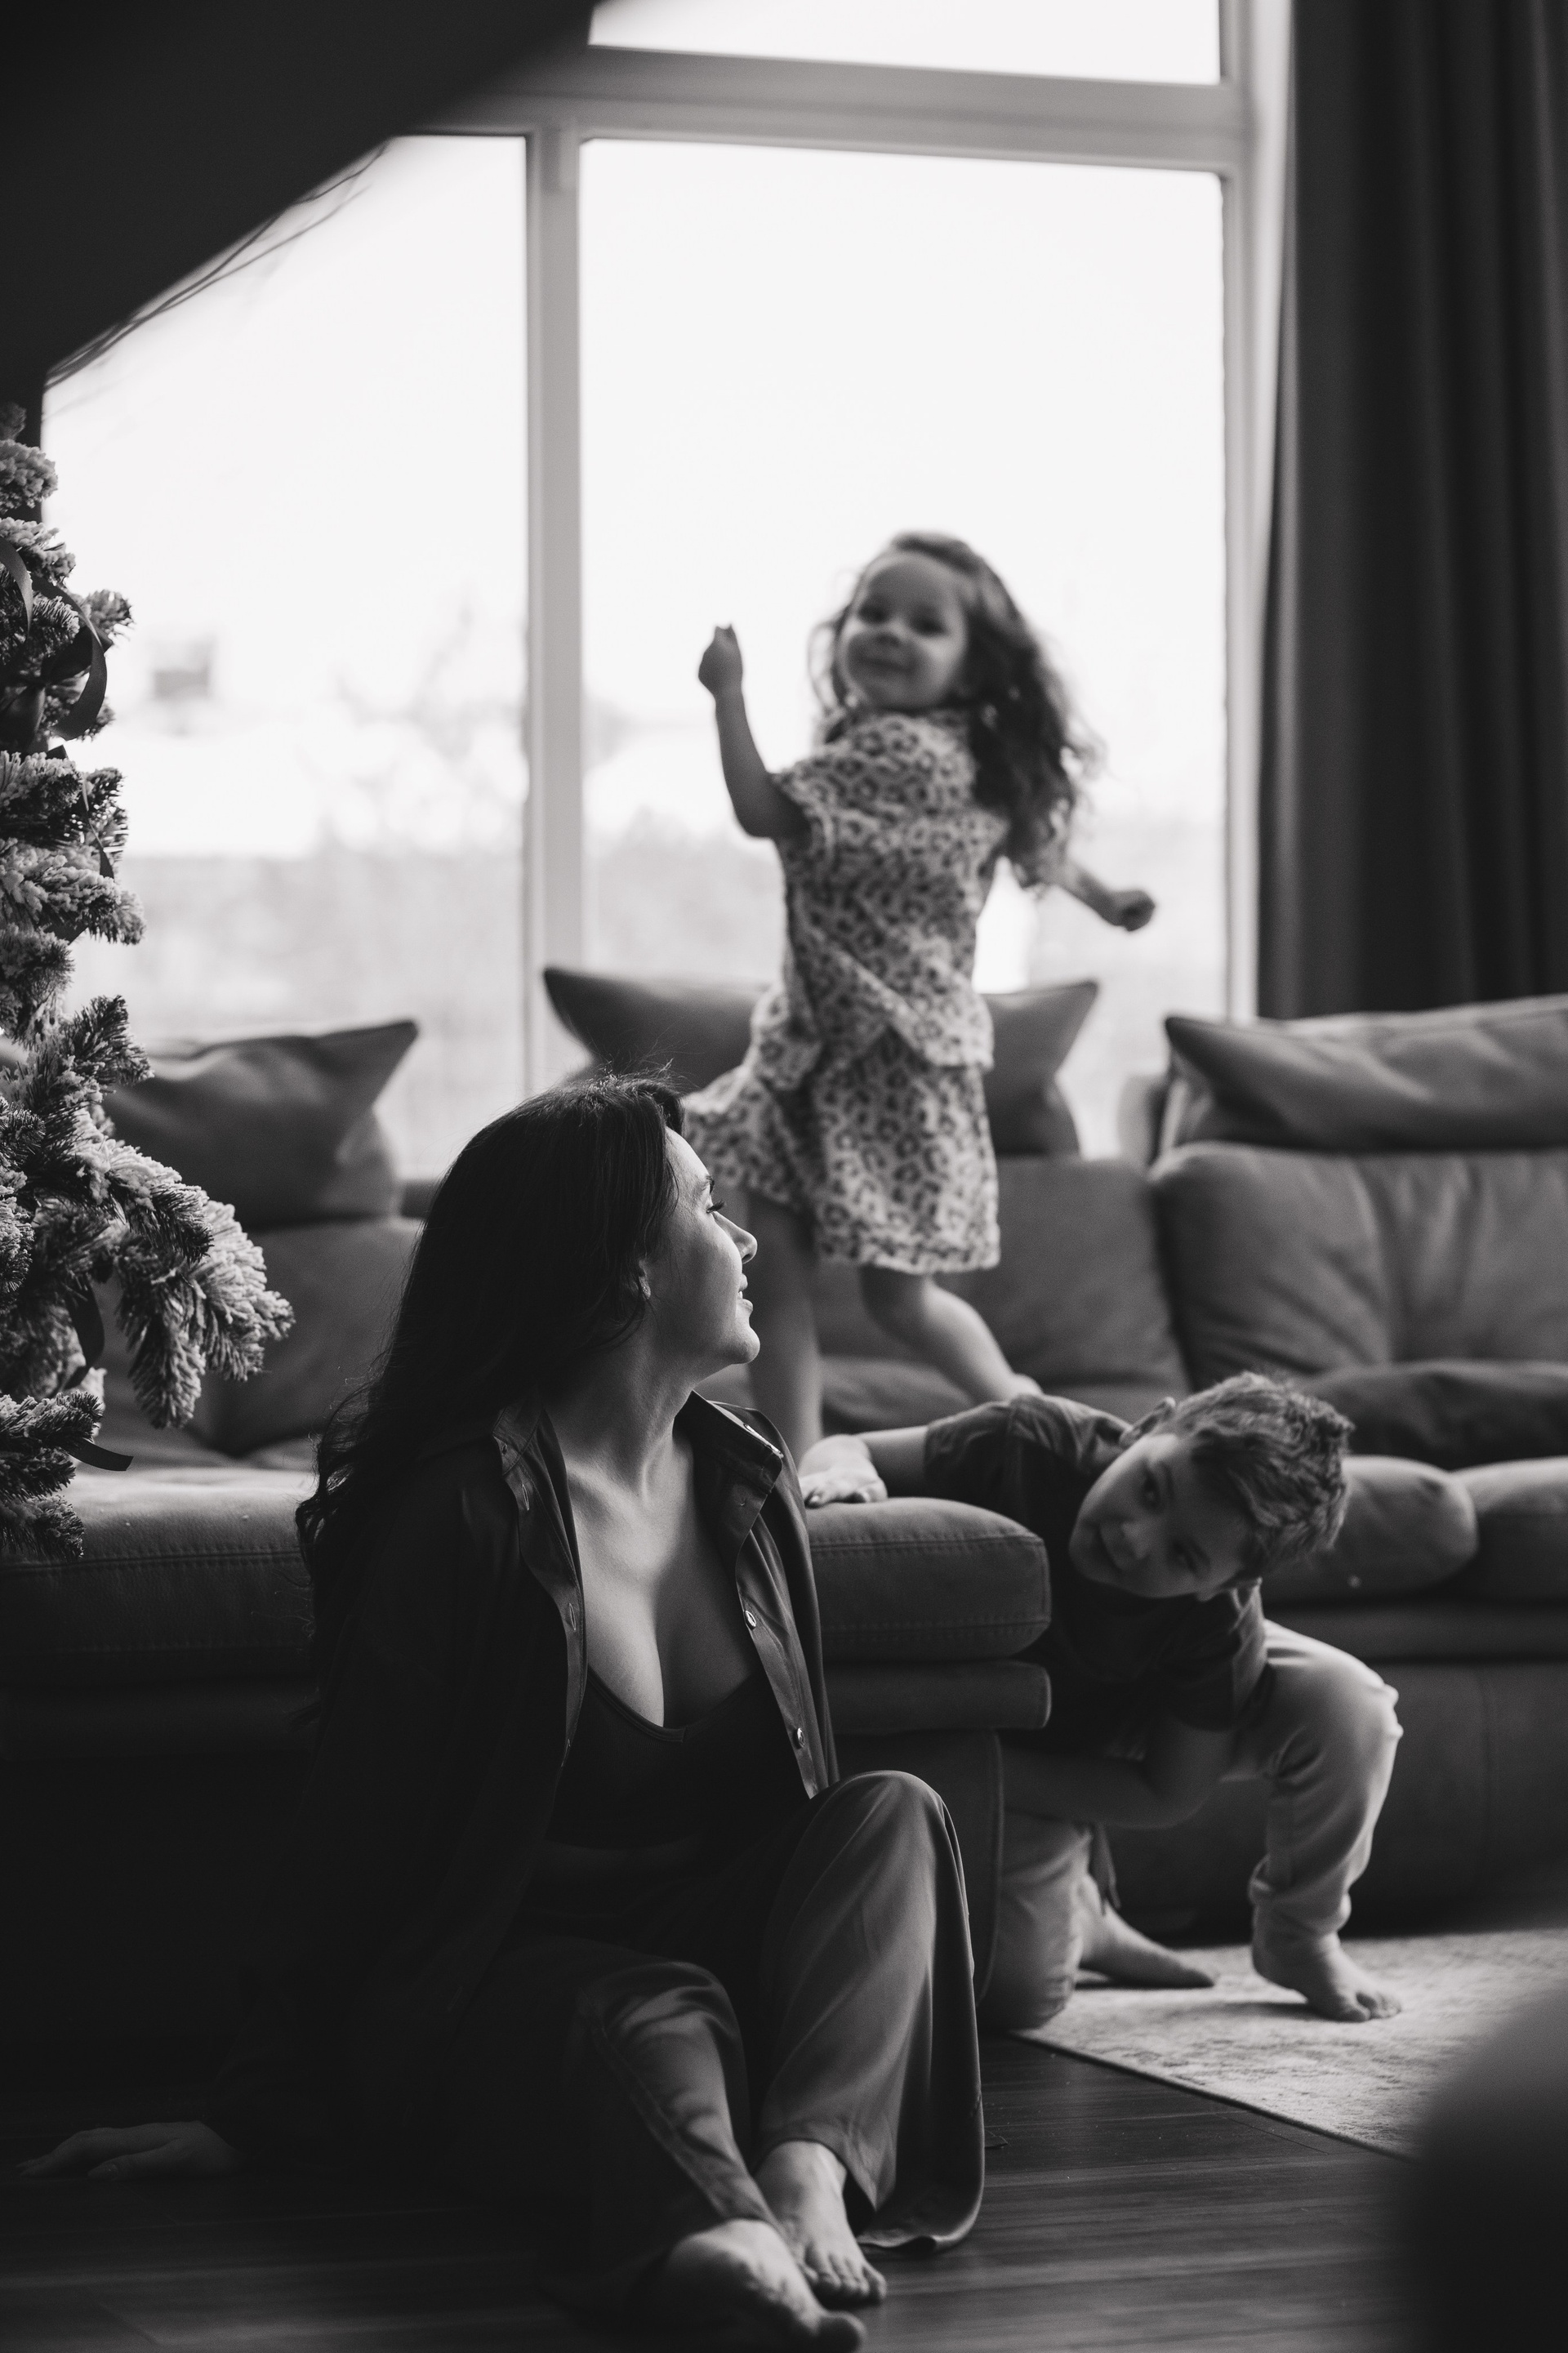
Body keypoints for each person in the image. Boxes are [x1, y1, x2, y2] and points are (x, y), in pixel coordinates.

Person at [23, 1076, 983, 2348]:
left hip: (714, 1964)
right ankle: (723, 2241)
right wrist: (249, 2111)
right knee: (652, 2008)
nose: (746, 1238)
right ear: (628, 1270)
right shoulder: (463, 1512)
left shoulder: (750, 1482)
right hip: (499, 1994)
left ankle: (807, 2169)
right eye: (708, 1208)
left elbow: (808, 1836)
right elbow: (356, 1829)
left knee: (897, 1814)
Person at [685, 532, 1154, 1459]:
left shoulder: (898, 757)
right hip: (822, 1055)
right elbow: (1032, 841)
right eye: (873, 612)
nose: (891, 632)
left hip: (882, 1061)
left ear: (972, 666)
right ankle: (811, 1462)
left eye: (925, 624)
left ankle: (1040, 1426)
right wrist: (1104, 897)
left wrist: (727, 695)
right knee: (835, 1288)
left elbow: (761, 810)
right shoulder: (965, 762)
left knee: (829, 1290)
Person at [800, 1378, 1405, 2027]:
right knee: (1017, 1991)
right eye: (1151, 1489)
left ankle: (1299, 1934)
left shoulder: (1220, 1624)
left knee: (1352, 1706)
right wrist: (842, 1474)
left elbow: (1167, 1791)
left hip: (1108, 1731)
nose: (1133, 1537)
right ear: (1146, 1428)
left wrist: (978, 1770)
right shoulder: (1032, 1442)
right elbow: (853, 1446)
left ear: (1227, 1582)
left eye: (1183, 1554)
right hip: (1005, 1712)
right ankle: (1083, 1915)